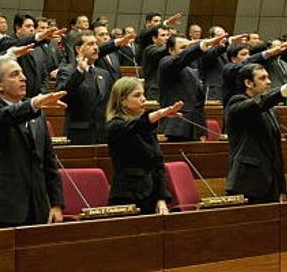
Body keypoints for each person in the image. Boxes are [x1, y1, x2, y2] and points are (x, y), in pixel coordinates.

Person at [0, 54, 66, 228]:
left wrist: (56, 203)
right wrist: (33, 105)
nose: (23, 78)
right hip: (4, 210)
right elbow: (5, 116)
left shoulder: (37, 113)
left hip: (38, 208)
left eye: (22, 73)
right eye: (14, 74)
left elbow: (49, 161)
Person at [225, 64, 287, 204]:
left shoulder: (271, 110)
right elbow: (257, 104)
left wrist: (281, 188)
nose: (269, 81)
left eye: (268, 77)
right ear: (248, 83)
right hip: (247, 182)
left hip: (270, 183)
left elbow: (276, 152)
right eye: (262, 78)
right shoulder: (236, 102)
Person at [105, 78, 181, 214]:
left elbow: (158, 164)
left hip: (151, 196)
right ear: (122, 100)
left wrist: (161, 198)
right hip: (127, 198)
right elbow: (136, 125)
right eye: (137, 95)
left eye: (143, 94)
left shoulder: (146, 127)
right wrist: (160, 113)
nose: (143, 99)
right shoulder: (115, 126)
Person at [158, 33, 226, 142]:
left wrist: (201, 130)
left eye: (188, 47)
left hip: (195, 126)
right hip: (175, 127)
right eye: (183, 48)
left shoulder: (193, 66)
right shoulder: (166, 63)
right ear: (171, 50)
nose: (187, 51)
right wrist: (203, 44)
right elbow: (183, 58)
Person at [56, 30, 115, 144]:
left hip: (102, 134)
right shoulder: (67, 71)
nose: (96, 48)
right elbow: (62, 95)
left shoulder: (104, 74)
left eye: (96, 44)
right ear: (78, 49)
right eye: (90, 44)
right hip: (78, 135)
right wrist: (80, 71)